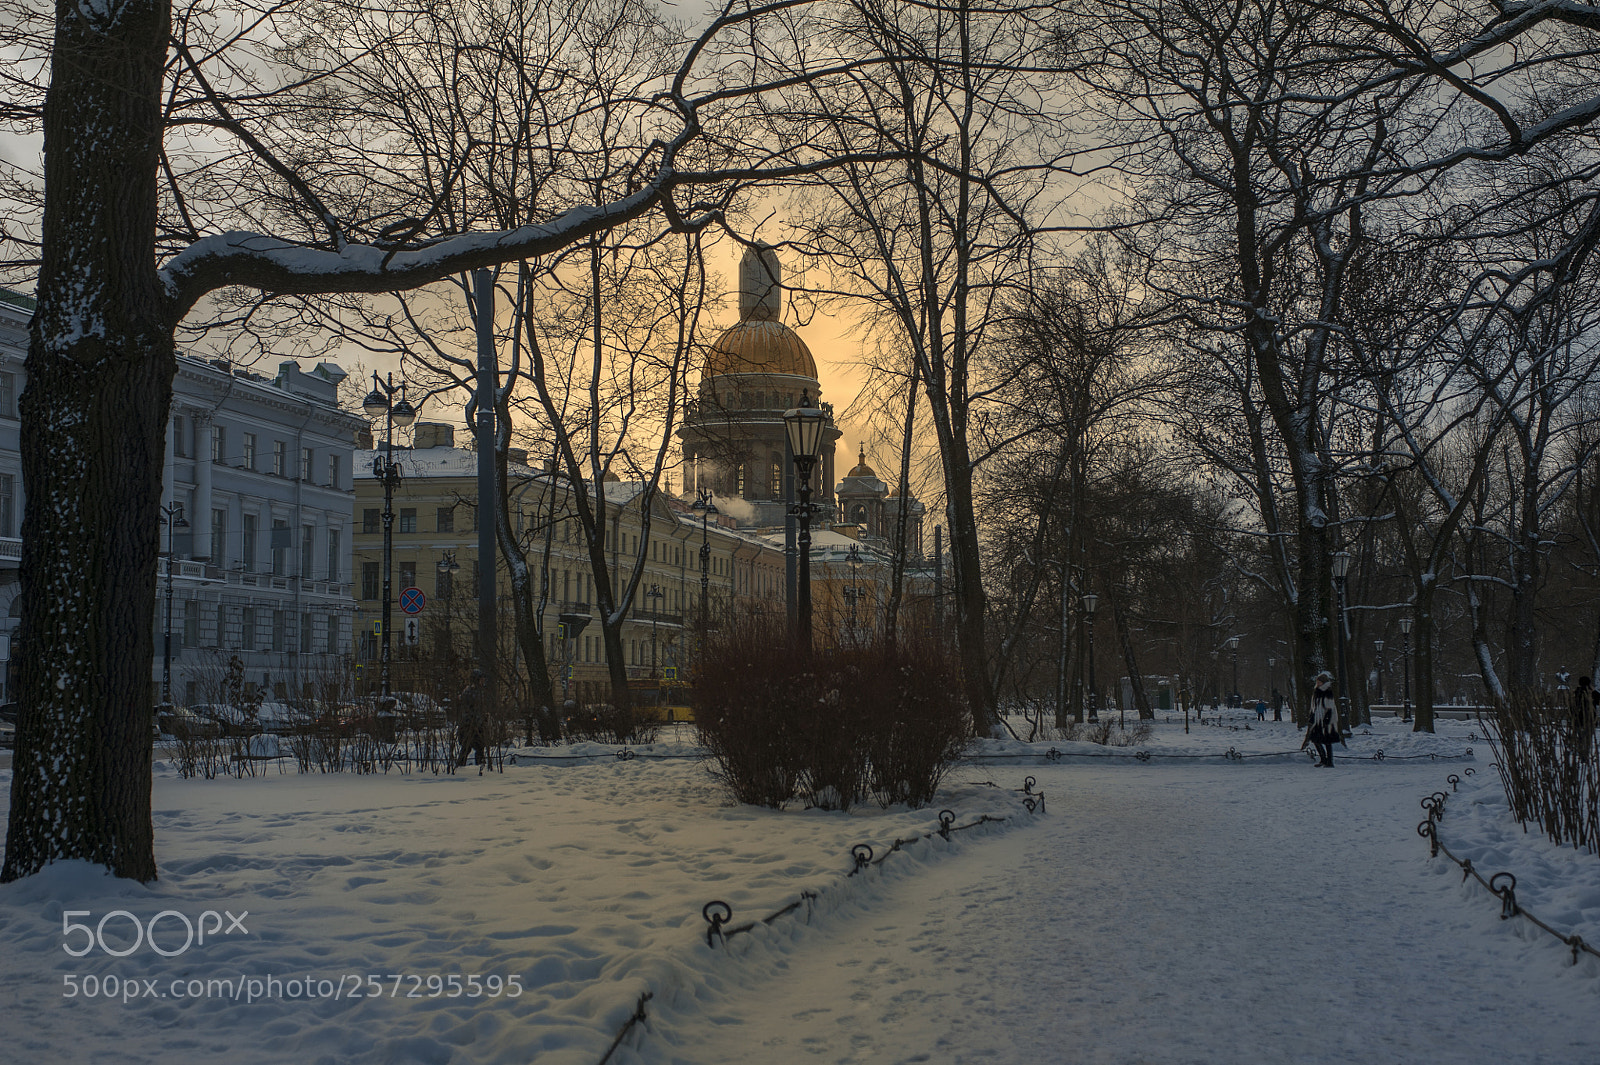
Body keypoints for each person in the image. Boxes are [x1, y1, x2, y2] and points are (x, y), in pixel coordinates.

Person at [1301, 671, 1339, 767]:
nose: (1318, 683)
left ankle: (1329, 761)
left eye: (1319, 682)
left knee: (1327, 741)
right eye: (1317, 682)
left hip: (1325, 720)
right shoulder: (1316, 692)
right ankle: (1323, 759)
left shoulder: (1327, 692)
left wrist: (1327, 719)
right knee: (1315, 739)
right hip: (1317, 719)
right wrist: (1312, 716)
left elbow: (1330, 706)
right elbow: (1314, 706)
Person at [456, 669, 490, 770]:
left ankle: (480, 766)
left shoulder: (480, 691)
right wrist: (474, 720)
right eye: (481, 679)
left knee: (479, 746)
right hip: (469, 725)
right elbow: (468, 709)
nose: (483, 681)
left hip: (478, 724)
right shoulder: (470, 692)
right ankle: (460, 766)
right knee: (467, 747)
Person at [1572, 676, 1597, 764]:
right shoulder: (1591, 693)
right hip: (1589, 720)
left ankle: (1581, 755)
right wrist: (1593, 690)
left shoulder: (1576, 692)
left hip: (1578, 720)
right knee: (1587, 740)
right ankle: (1585, 756)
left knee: (1580, 739)